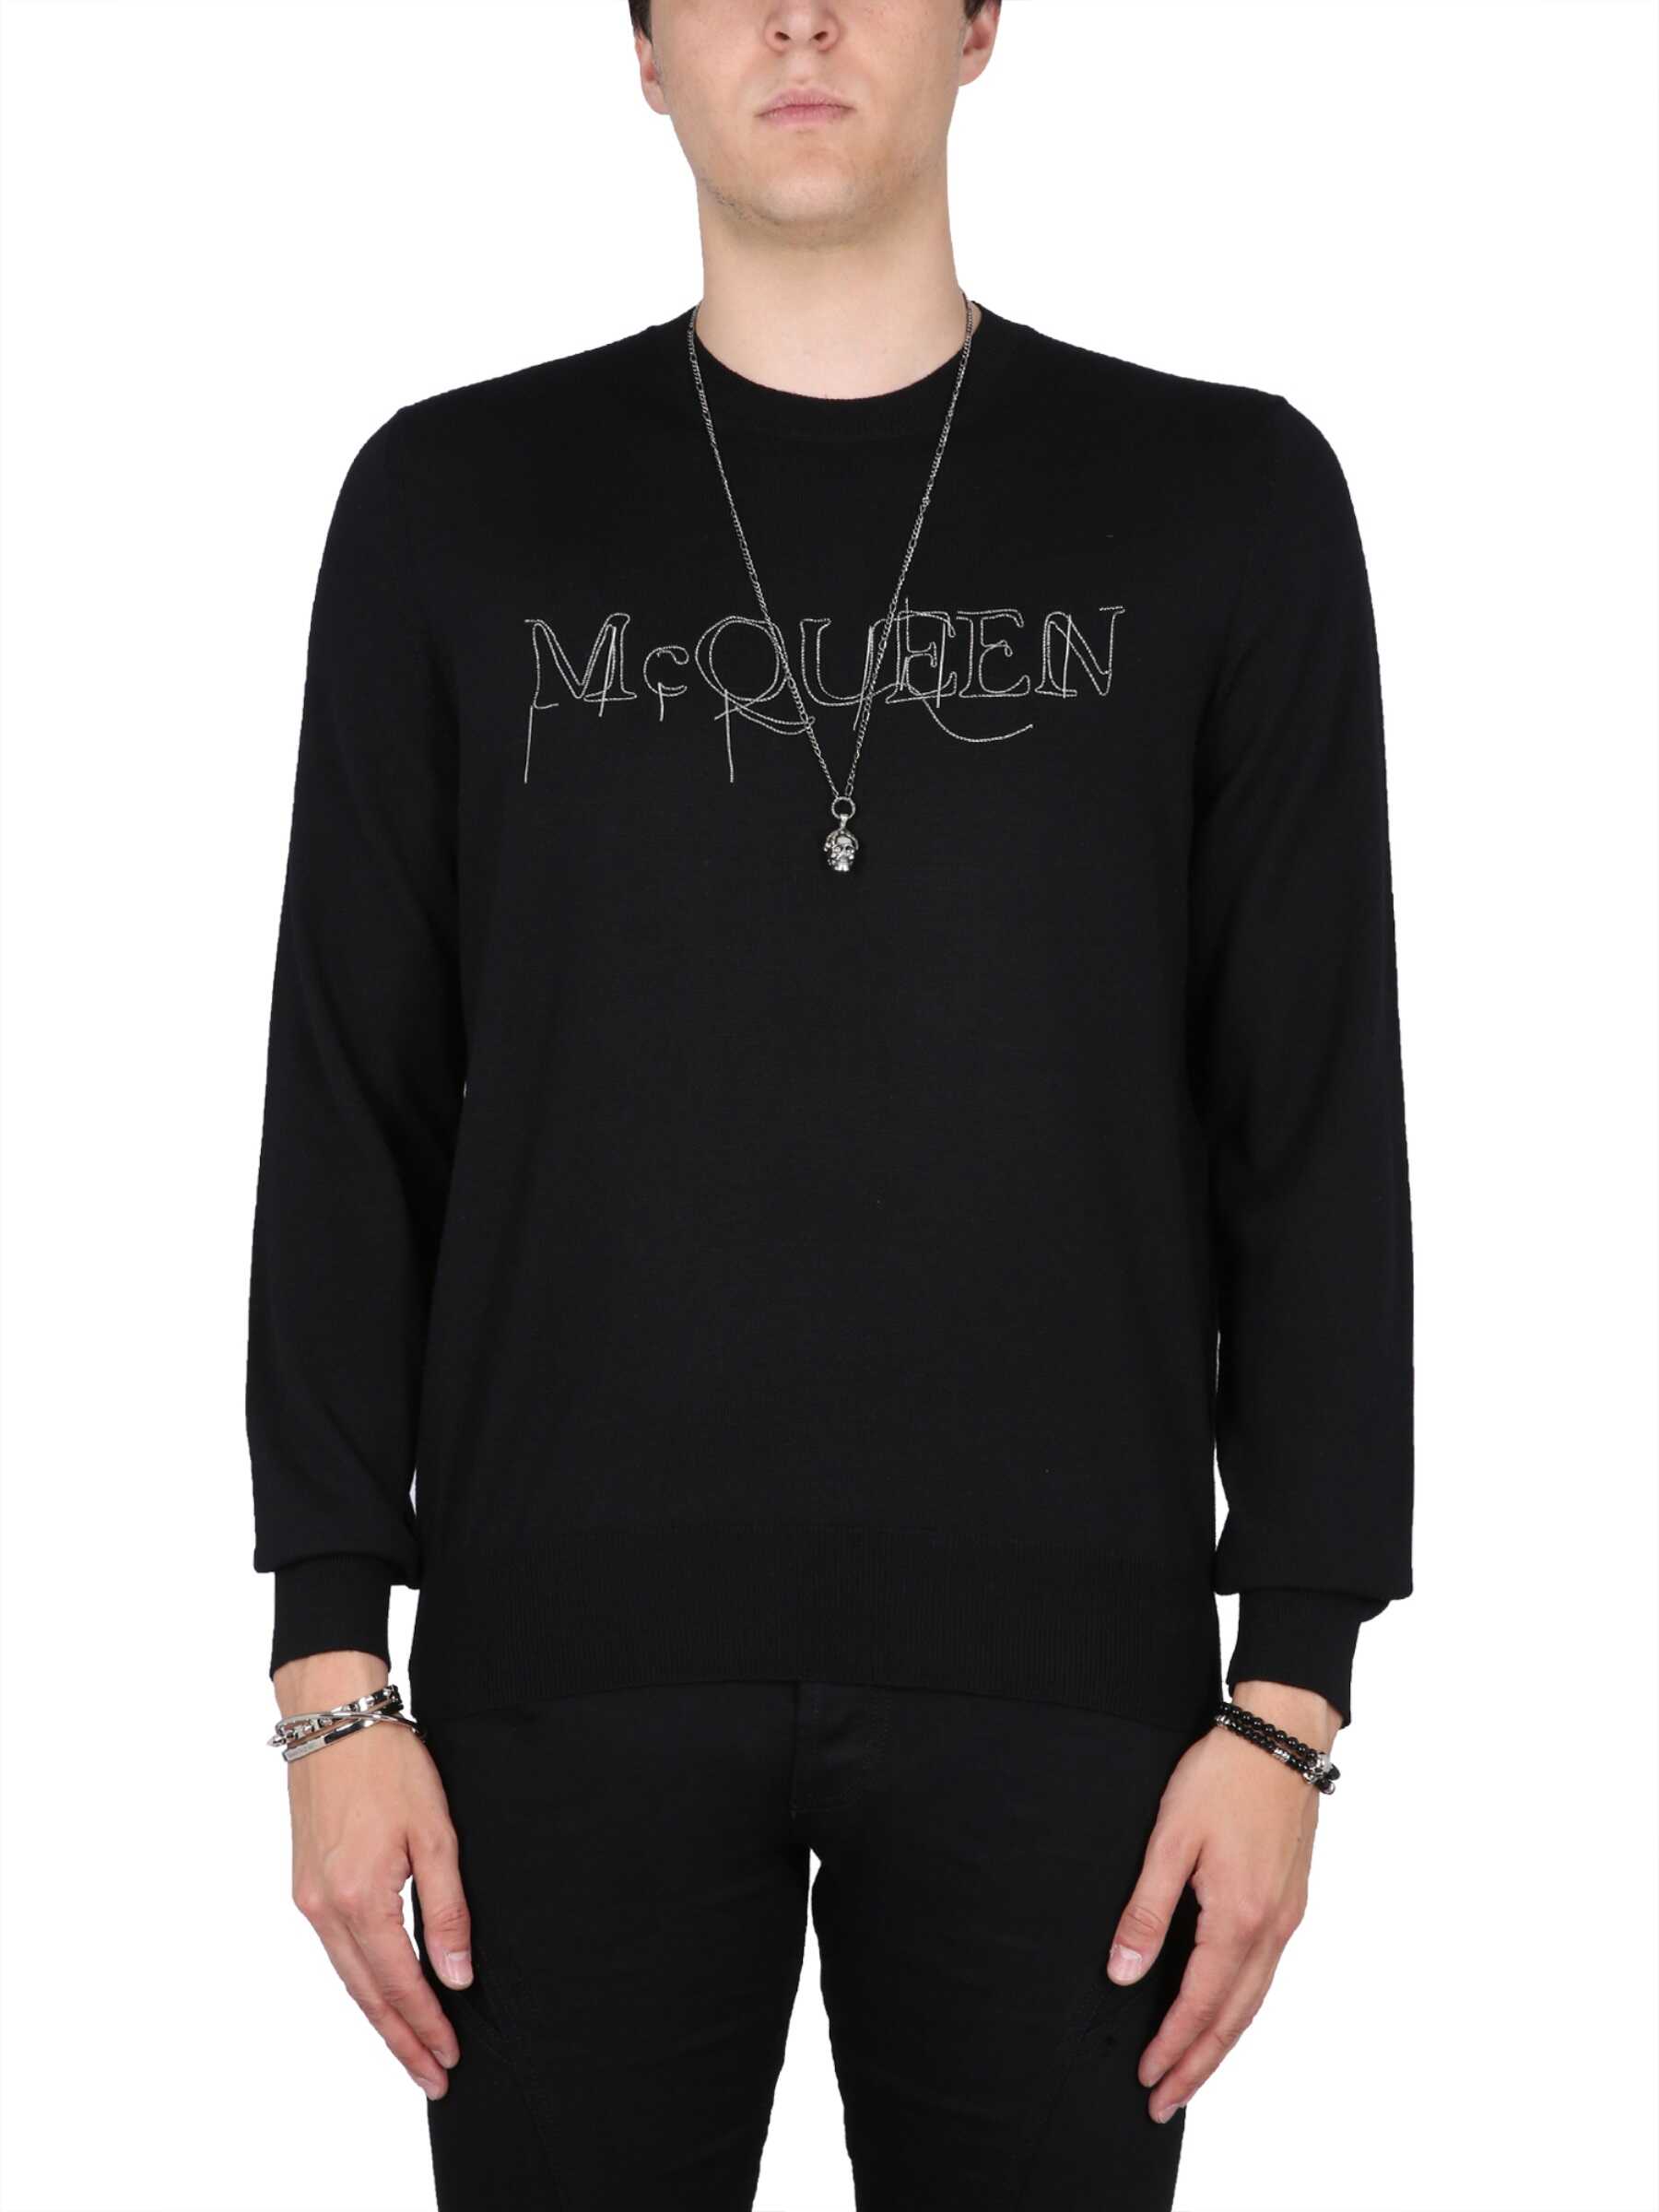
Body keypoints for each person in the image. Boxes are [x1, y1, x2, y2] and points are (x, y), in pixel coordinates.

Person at [247, 2, 1414, 2205]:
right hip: (556, 1687)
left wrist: (1295, 1693)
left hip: (1072, 1695)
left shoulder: (1226, 502)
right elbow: (351, 1097)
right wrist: (329, 1666)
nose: (799, 15)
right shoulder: (451, 506)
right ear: (643, 46)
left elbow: (1312, 1114)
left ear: (979, 23)